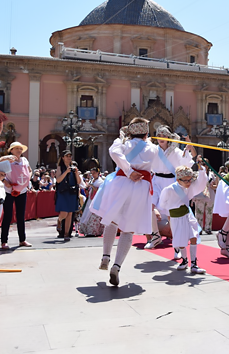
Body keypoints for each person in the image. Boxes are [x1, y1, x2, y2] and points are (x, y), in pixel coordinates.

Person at [91, 117, 157, 286]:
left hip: (120, 183)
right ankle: (117, 266)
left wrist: (128, 170)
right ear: (146, 132)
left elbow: (114, 152)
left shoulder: (124, 144)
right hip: (141, 187)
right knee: (128, 230)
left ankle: (106, 256)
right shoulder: (153, 148)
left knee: (112, 221)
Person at [144, 125, 195, 257]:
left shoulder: (176, 151)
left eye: (164, 135)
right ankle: (155, 236)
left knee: (172, 214)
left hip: (171, 183)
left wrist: (187, 150)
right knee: (149, 206)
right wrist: (144, 143)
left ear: (168, 138)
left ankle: (176, 246)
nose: (161, 138)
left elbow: (186, 164)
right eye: (159, 135)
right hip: (156, 182)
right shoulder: (153, 150)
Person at [159, 163, 208, 273]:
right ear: (178, 179)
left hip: (187, 215)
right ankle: (185, 261)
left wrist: (202, 171)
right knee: (180, 241)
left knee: (194, 237)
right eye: (185, 180)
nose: (188, 183)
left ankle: (194, 264)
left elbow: (200, 185)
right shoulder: (169, 190)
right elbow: (162, 204)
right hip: (176, 217)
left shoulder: (189, 187)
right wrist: (171, 211)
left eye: (189, 180)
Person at [0, 142, 33, 250]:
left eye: (20, 148)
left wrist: (27, 179)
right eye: (16, 148)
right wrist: (6, 182)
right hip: (9, 191)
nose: (19, 150)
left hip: (22, 191)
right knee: (8, 215)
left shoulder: (24, 160)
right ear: (11, 150)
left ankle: (22, 240)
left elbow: (30, 171)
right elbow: (0, 173)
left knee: (20, 215)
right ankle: (4, 241)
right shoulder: (6, 161)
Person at [55, 150, 82, 240]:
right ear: (63, 157)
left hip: (72, 192)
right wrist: (66, 172)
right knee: (64, 212)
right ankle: (59, 220)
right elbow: (58, 180)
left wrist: (76, 173)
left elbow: (79, 182)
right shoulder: (60, 167)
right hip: (63, 192)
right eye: (67, 156)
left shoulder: (73, 168)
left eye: (70, 156)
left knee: (70, 213)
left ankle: (67, 234)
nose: (69, 158)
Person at [78, 167, 105, 237]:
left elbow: (100, 191)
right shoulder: (92, 180)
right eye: (92, 173)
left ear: (98, 173)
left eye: (94, 173)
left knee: (94, 216)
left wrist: (92, 186)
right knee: (87, 214)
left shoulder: (100, 181)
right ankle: (88, 231)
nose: (93, 175)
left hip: (97, 200)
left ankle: (94, 231)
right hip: (90, 199)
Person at [193, 158, 217, 235]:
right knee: (199, 212)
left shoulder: (212, 174)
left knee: (209, 212)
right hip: (200, 195)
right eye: (203, 163)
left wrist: (213, 186)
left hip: (210, 195)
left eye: (206, 164)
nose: (204, 165)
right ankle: (199, 228)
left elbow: (216, 185)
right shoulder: (196, 174)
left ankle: (208, 228)